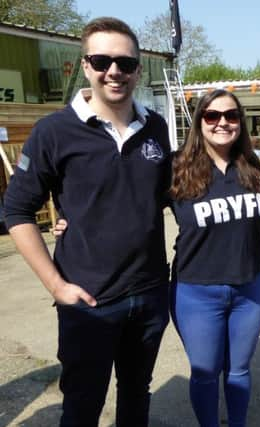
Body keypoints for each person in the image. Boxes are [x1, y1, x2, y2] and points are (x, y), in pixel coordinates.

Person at [3, 17, 172, 426]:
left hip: (149, 295)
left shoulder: (156, 127)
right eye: (101, 60)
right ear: (85, 66)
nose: (114, 71)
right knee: (82, 403)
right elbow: (16, 211)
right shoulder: (54, 132)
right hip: (88, 301)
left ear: (137, 70)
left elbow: (162, 196)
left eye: (126, 63)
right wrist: (56, 285)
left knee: (137, 393)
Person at [169, 89, 260, 427]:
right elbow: (128, 204)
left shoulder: (254, 168)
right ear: (199, 122)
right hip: (196, 292)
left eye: (231, 116)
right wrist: (68, 218)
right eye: (212, 116)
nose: (223, 123)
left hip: (249, 290)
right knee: (205, 372)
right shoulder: (176, 169)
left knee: (239, 369)